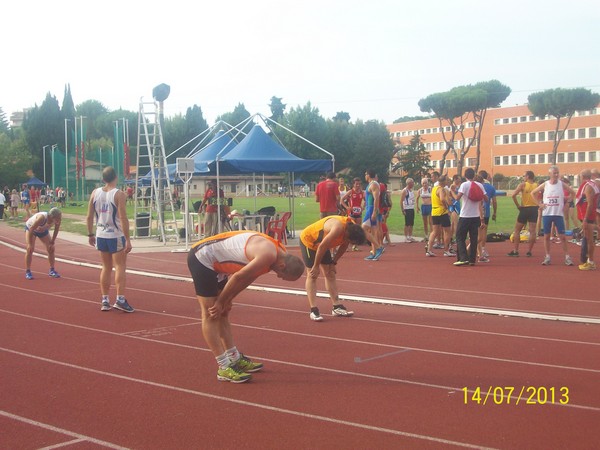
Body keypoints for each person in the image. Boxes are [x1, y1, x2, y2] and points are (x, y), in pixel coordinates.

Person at [187, 230, 305, 383]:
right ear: (282, 266)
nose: (279, 277)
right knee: (211, 313)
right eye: (282, 276)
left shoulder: (279, 255)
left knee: (223, 312)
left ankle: (234, 358)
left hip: (219, 263)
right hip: (202, 258)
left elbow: (249, 277)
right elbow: (238, 276)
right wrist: (221, 301)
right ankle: (223, 366)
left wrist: (228, 299)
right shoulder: (267, 256)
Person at [300, 215, 367, 321]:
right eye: (351, 241)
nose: (350, 244)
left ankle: (337, 307)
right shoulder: (338, 228)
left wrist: (333, 262)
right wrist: (316, 266)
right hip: (310, 242)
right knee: (312, 274)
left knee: (330, 273)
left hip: (323, 244)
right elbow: (322, 246)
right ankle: (314, 310)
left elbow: (344, 246)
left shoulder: (352, 228)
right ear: (347, 235)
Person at [86, 166, 134, 312]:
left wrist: (90, 234)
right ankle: (120, 299)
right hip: (115, 234)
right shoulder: (119, 194)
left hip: (101, 233)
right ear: (116, 178)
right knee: (120, 266)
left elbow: (89, 216)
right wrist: (128, 238)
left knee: (106, 267)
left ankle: (105, 299)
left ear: (103, 179)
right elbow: (123, 217)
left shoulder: (95, 193)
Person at [530, 165, 575, 266]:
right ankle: (547, 256)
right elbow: (533, 193)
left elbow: (573, 193)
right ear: (549, 174)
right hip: (547, 214)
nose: (556, 175)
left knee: (562, 237)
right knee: (546, 236)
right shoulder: (545, 184)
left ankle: (567, 257)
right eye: (554, 173)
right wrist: (540, 204)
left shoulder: (561, 184)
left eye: (557, 173)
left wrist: (568, 201)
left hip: (558, 214)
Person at [453, 168, 487, 266]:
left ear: (465, 176)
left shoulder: (464, 185)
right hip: (475, 216)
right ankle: (472, 259)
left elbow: (457, 198)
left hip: (465, 215)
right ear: (474, 175)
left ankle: (463, 258)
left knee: (459, 237)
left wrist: (451, 192)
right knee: (473, 238)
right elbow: (486, 198)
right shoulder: (480, 185)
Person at [507, 170, 539, 257]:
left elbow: (513, 195)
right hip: (534, 209)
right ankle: (529, 251)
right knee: (532, 231)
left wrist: (518, 205)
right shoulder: (537, 185)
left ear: (528, 176)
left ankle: (516, 250)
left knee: (517, 230)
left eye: (524, 176)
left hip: (525, 208)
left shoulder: (523, 185)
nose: (523, 177)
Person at [24, 207, 62, 280]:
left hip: (43, 231)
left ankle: (52, 270)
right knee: (30, 249)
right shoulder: (42, 218)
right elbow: (31, 229)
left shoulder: (57, 220)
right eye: (58, 218)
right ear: (52, 217)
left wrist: (52, 241)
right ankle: (28, 271)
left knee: (51, 249)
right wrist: (29, 243)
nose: (59, 219)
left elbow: (56, 230)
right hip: (31, 229)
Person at [575, 169, 599, 270]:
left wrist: (585, 219)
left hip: (588, 217)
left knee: (589, 240)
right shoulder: (591, 185)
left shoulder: (588, 187)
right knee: (588, 239)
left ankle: (591, 262)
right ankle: (590, 261)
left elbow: (590, 204)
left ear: (583, 177)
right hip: (588, 216)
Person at [426, 175, 454, 257]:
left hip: (434, 211)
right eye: (446, 181)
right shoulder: (441, 189)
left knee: (434, 231)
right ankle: (446, 250)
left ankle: (429, 250)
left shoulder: (434, 188)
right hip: (442, 212)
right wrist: (446, 206)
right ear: (443, 181)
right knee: (447, 231)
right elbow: (442, 199)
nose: (447, 182)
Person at [362, 169, 384, 260]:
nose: (365, 176)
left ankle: (379, 248)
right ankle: (374, 252)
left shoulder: (374, 184)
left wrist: (374, 211)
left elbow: (376, 199)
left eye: (365, 174)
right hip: (369, 208)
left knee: (363, 229)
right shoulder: (370, 184)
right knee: (373, 231)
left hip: (371, 209)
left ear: (368, 175)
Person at [477, 170, 497, 263]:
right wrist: (495, 212)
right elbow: (494, 201)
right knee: (484, 231)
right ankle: (483, 249)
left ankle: (478, 250)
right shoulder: (491, 187)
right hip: (486, 212)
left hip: (476, 212)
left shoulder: (475, 186)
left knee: (477, 232)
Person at [341, 177, 365, 251]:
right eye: (356, 184)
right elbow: (341, 200)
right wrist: (347, 207)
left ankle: (355, 246)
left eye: (359, 184)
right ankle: (345, 245)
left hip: (358, 213)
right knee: (349, 229)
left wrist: (363, 207)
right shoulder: (350, 192)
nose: (358, 185)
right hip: (351, 213)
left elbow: (366, 200)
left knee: (358, 229)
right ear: (353, 184)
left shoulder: (362, 192)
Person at [400, 178, 416, 242]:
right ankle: (406, 237)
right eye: (412, 183)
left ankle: (410, 236)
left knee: (411, 223)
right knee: (407, 223)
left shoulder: (411, 190)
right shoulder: (405, 191)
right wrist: (403, 210)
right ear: (409, 183)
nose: (413, 184)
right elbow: (401, 201)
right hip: (407, 209)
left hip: (412, 208)